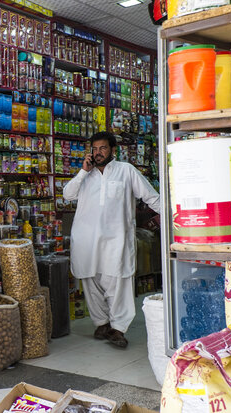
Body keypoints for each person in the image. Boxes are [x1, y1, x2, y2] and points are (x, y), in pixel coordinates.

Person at [63, 132, 160, 348]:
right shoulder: (85, 175)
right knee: (91, 281)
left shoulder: (126, 171)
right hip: (86, 241)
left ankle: (118, 328)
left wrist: (172, 216)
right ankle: (102, 324)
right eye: (95, 149)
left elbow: (150, 196)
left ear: (112, 150)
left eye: (102, 148)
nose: (98, 153)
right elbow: (67, 195)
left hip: (116, 239)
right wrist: (82, 172)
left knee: (118, 283)